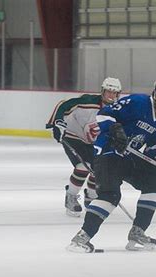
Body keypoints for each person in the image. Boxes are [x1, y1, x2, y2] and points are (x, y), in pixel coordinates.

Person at [67, 77, 156, 253]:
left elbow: (153, 146)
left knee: (154, 184)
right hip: (108, 152)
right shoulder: (138, 102)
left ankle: (138, 231)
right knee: (111, 196)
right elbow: (104, 113)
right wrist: (114, 129)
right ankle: (81, 237)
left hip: (129, 157)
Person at [46, 77, 122, 217]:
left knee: (98, 168)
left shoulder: (117, 111)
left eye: (114, 93)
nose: (111, 95)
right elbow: (63, 105)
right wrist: (56, 123)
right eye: (108, 92)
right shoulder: (87, 101)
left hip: (94, 143)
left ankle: (91, 197)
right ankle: (71, 196)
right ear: (102, 91)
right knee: (82, 166)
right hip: (73, 136)